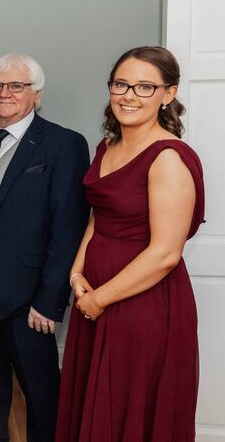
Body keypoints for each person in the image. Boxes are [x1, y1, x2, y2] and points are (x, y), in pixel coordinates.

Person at [55, 46, 205, 442]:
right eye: (121, 84)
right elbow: (99, 216)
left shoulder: (168, 157)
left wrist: (100, 299)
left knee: (130, 408)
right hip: (93, 292)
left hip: (143, 303)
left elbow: (166, 253)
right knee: (95, 404)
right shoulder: (107, 147)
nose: (129, 96)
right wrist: (76, 273)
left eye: (144, 87)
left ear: (168, 94)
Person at [0, 54, 89, 442]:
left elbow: (68, 227)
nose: (5, 93)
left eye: (17, 85)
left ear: (36, 94)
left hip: (28, 302)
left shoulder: (63, 144)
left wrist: (49, 301)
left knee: (42, 400)